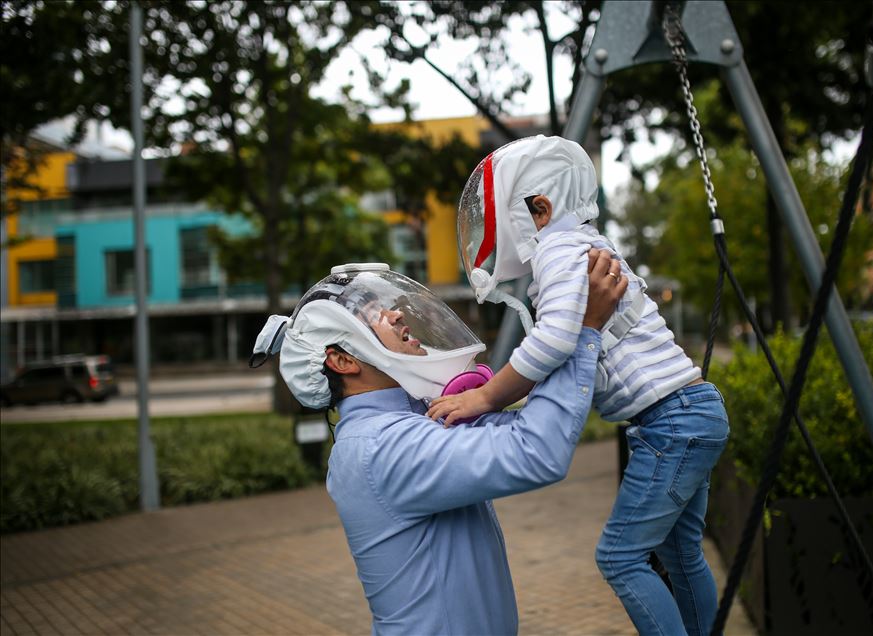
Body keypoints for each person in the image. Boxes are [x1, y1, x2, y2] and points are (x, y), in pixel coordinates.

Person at [428, 135, 731, 636]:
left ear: (539, 208)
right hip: (691, 411)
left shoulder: (559, 248)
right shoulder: (585, 243)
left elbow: (554, 339)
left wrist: (484, 396)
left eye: (501, 216)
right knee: (679, 552)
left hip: (670, 420)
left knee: (620, 557)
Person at [249, 254, 627, 635]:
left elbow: (534, 425)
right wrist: (582, 330)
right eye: (371, 316)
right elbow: (537, 451)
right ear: (344, 361)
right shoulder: (383, 444)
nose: (396, 315)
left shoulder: (408, 420)